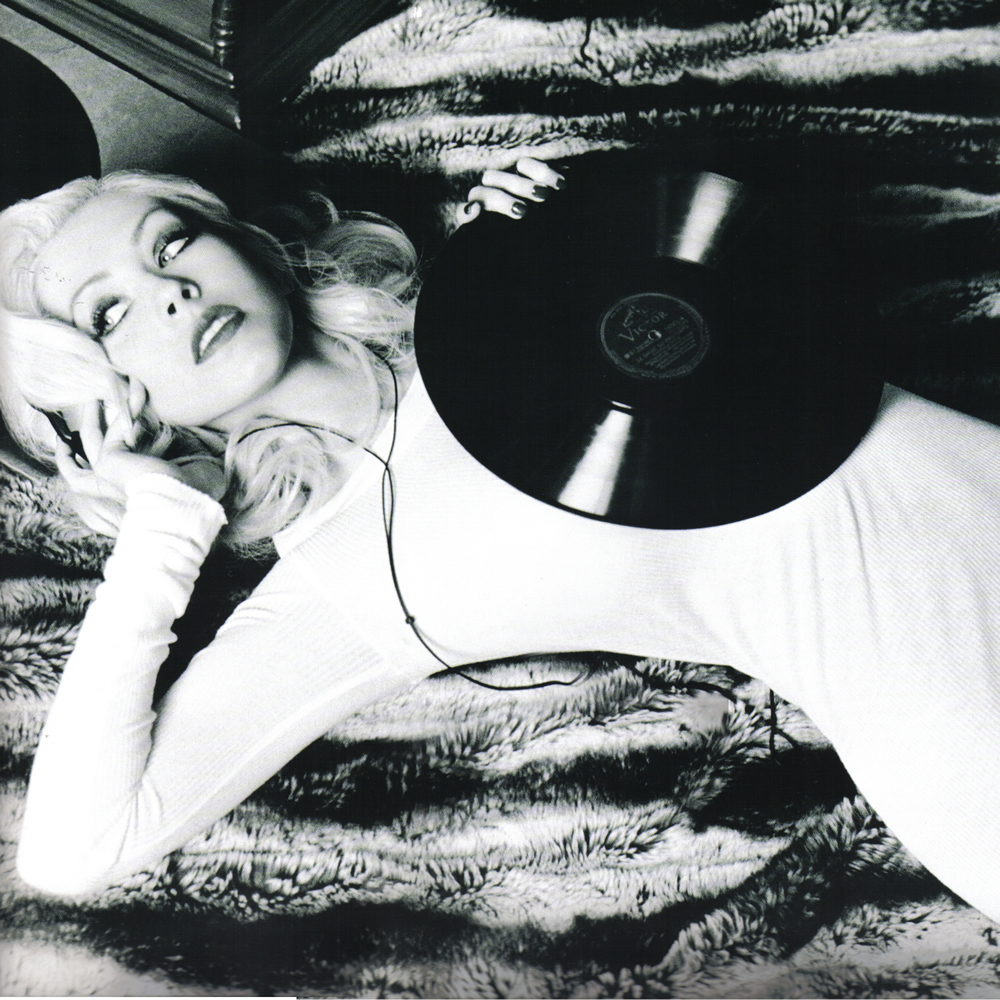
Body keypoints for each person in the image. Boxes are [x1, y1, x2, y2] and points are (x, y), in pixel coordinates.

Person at [2, 158, 1000, 931]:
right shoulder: (346, 587)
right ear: (104, 406)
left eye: (173, 243)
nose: (171, 290)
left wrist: (591, 207)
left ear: (252, 242)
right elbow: (74, 849)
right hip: (960, 727)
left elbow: (766, 272)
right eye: (110, 312)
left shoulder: (493, 285)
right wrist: (162, 523)